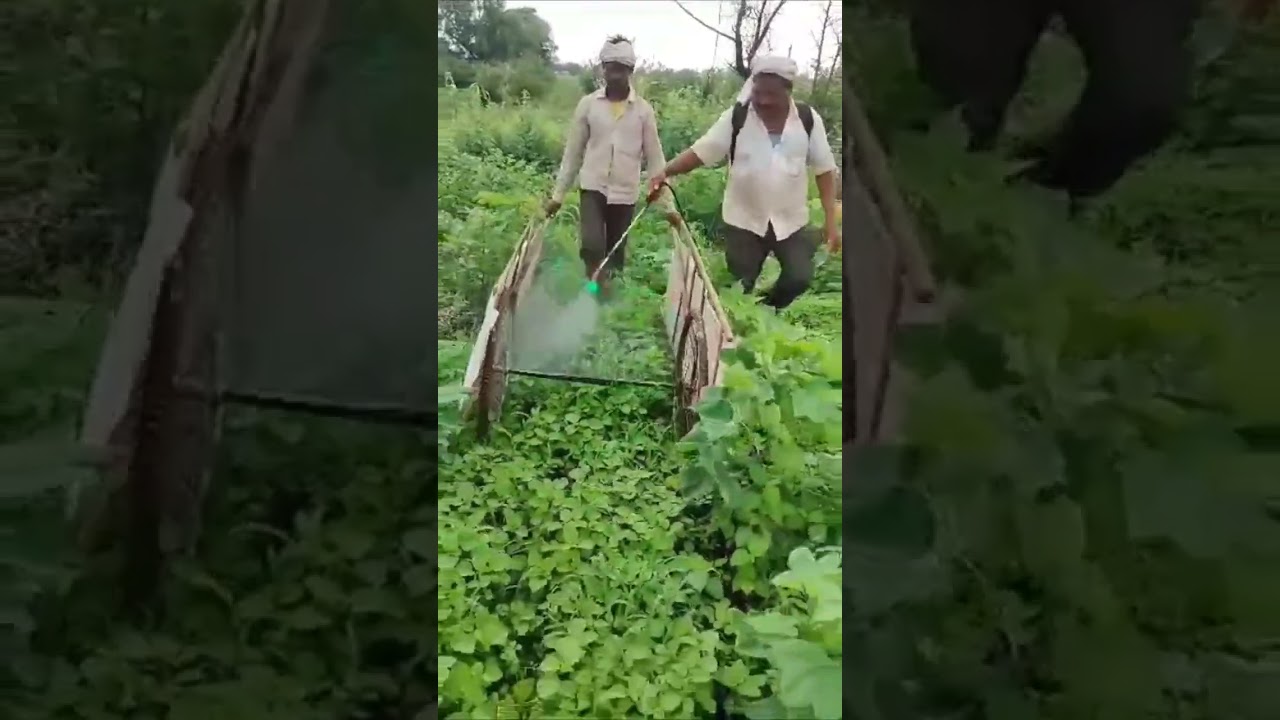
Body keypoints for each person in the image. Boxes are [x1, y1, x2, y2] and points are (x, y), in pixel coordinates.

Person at [648, 55, 840, 311]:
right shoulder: (737, 117)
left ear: (788, 91)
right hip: (744, 221)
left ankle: (766, 309)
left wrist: (830, 220)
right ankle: (742, 322)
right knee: (741, 284)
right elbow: (703, 151)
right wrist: (665, 172)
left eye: (772, 94)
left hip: (791, 220)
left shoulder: (807, 119)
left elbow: (825, 169)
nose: (763, 100)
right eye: (758, 92)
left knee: (799, 277)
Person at [546, 36, 679, 296]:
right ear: (603, 69)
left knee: (615, 258)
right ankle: (593, 291)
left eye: (621, 68)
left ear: (630, 71)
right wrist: (557, 195)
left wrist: (669, 206)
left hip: (625, 191)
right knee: (593, 246)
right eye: (610, 67)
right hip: (593, 186)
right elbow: (573, 153)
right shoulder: (588, 105)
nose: (615, 74)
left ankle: (608, 306)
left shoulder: (643, 111)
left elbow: (655, 158)